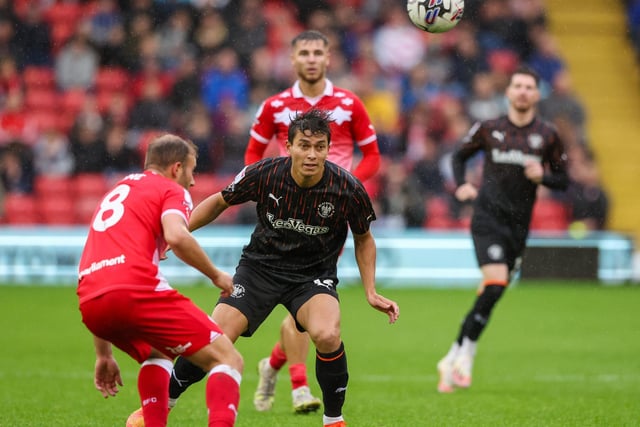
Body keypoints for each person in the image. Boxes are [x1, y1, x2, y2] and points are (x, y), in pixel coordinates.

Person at [162, 109, 399, 427]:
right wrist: (176, 234)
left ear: (329, 149)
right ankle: (163, 403)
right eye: (304, 145)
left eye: (319, 147)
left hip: (312, 277)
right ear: (288, 147)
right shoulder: (264, 173)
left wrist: (370, 290)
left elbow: (364, 238)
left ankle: (333, 420)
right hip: (259, 269)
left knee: (328, 335)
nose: (311, 154)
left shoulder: (348, 188)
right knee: (213, 338)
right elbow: (219, 201)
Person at [244, 29, 381, 413]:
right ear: (292, 59)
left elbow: (372, 158)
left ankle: (278, 369)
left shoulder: (350, 104)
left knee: (305, 304)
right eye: (303, 52)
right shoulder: (274, 106)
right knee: (304, 300)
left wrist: (346, 191)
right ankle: (297, 383)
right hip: (288, 212)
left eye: (318, 51)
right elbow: (253, 155)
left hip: (329, 217)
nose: (311, 58)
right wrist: (268, 192)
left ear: (328, 58)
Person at [77, 134, 243, 427]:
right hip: (135, 290)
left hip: (91, 302)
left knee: (158, 353)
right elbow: (177, 235)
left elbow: (104, 276)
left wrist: (103, 355)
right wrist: (216, 275)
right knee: (227, 360)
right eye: (191, 171)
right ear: (176, 168)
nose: (192, 182)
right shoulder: (170, 189)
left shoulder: (119, 190)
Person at [437, 67, 569, 393]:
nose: (523, 92)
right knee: (495, 282)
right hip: (487, 217)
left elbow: (563, 179)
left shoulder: (548, 135)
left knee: (493, 292)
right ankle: (466, 355)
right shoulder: (490, 128)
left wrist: (544, 176)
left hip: (519, 226)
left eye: (529, 87)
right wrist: (462, 186)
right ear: (508, 92)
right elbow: (458, 157)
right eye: (518, 86)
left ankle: (453, 354)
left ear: (536, 95)